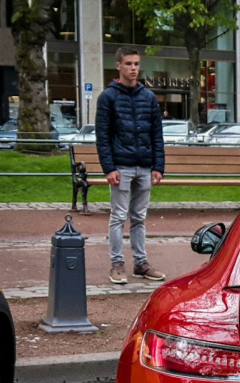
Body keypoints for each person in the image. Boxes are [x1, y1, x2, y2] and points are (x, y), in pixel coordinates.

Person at [96, 46, 166, 284]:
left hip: (144, 166)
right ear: (118, 66)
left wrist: (158, 166)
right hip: (121, 167)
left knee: (139, 217)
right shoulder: (108, 97)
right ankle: (117, 264)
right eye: (128, 64)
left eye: (136, 64)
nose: (133, 68)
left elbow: (157, 134)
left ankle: (141, 264)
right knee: (118, 216)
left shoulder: (148, 97)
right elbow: (103, 136)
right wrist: (109, 168)